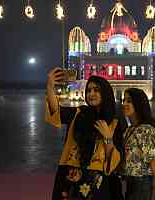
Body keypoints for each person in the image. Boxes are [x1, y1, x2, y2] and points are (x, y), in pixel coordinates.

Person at [45, 67, 124, 200]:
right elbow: (56, 112)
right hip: (71, 175)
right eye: (88, 90)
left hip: (97, 181)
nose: (91, 93)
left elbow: (115, 161)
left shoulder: (114, 122)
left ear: (105, 93)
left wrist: (108, 138)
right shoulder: (79, 114)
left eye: (96, 90)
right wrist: (50, 85)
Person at [120, 88, 155, 200]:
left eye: (129, 101)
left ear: (139, 104)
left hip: (141, 185)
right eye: (123, 100)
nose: (124, 104)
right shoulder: (130, 129)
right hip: (131, 183)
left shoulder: (146, 130)